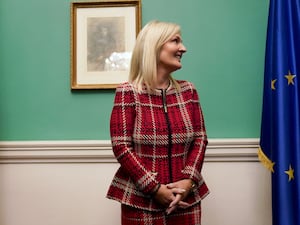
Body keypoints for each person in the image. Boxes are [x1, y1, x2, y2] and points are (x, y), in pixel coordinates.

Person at [106, 20, 209, 225]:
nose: (183, 48)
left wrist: (188, 181)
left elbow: (200, 139)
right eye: (176, 41)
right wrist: (155, 189)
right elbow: (122, 147)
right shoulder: (128, 92)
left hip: (185, 199)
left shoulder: (189, 91)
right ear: (155, 46)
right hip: (140, 202)